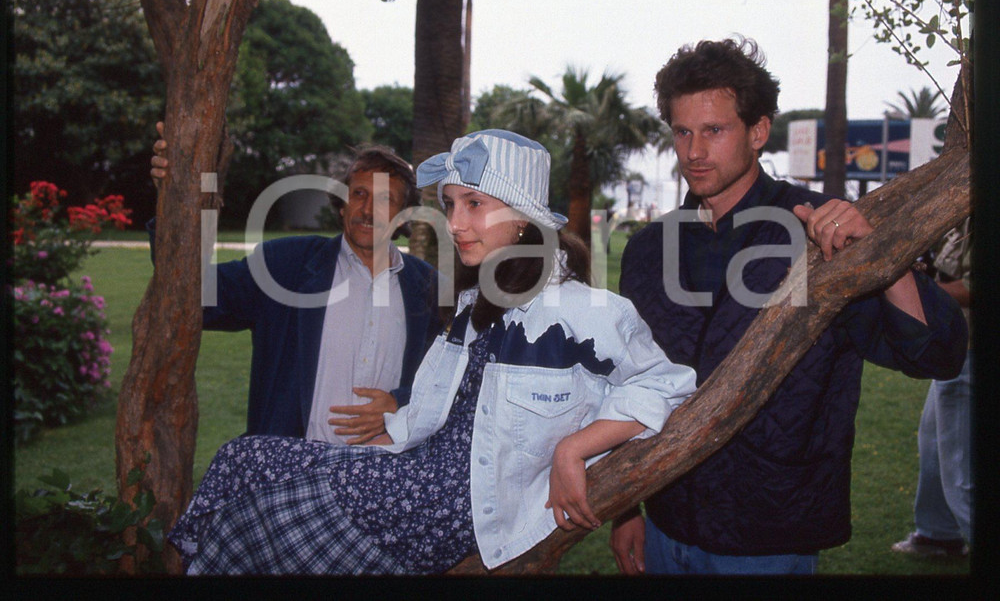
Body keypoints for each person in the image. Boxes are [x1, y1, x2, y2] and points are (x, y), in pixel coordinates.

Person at [165, 128, 697, 574]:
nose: (455, 223)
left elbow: (668, 384)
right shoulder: (474, 305)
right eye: (449, 206)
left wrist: (574, 448)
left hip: (441, 508)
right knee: (241, 462)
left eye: (474, 205)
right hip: (414, 475)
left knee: (247, 519)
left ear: (523, 215)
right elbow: (434, 409)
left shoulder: (585, 311)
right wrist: (177, 200)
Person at [610, 38, 968, 575]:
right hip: (665, 518)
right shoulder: (647, 251)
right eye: (682, 131)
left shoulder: (820, 230)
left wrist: (880, 257)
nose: (694, 151)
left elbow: (937, 355)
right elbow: (627, 381)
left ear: (758, 131)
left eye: (714, 129)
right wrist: (623, 508)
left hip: (770, 528)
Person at [150, 132, 442, 444]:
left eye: (385, 199)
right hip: (291, 473)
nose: (368, 210)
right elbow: (200, 296)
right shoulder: (286, 266)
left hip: (384, 474)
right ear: (342, 206)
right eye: (358, 194)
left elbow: (449, 378)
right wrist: (176, 198)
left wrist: (400, 401)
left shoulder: (428, 288)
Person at [892, 218, 972, 558]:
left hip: (972, 354)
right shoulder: (965, 219)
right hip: (956, 352)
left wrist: (914, 288)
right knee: (934, 442)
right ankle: (939, 533)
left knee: (961, 467)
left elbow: (971, 287)